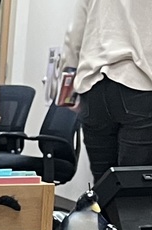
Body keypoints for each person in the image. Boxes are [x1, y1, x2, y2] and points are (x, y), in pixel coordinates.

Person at [61, 0, 152, 184]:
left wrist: (67, 93)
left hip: (93, 88)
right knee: (134, 185)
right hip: (138, 84)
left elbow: (74, 34)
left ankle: (102, 213)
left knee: (103, 184)